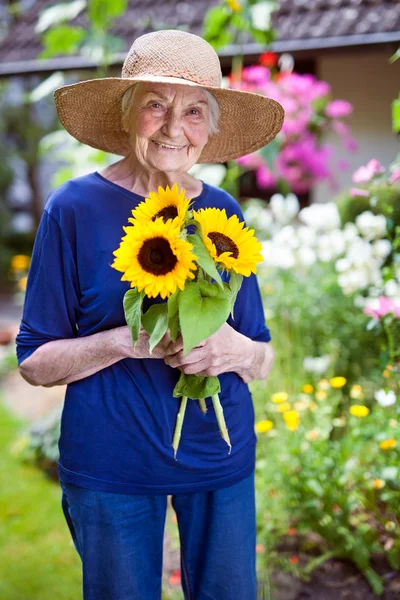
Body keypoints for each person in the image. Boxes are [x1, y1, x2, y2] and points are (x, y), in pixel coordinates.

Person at [16, 29, 284, 600]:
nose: (172, 127)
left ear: (209, 128)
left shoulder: (221, 212)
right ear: (126, 114)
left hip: (218, 450)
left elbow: (262, 355)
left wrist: (230, 349)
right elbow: (35, 362)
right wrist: (124, 341)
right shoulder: (73, 210)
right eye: (155, 105)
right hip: (113, 461)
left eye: (193, 111)